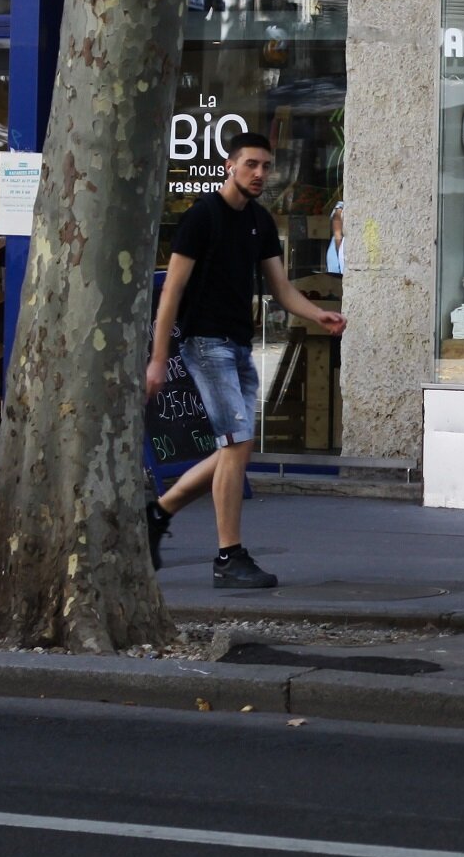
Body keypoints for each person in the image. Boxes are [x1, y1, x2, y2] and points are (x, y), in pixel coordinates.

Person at [145, 132, 346, 587]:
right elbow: (171, 292)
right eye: (251, 164)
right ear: (229, 166)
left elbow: (281, 289)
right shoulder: (201, 218)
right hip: (203, 343)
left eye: (266, 166)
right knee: (236, 445)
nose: (259, 173)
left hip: (238, 345)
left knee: (234, 449)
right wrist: (159, 359)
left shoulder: (258, 220)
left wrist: (319, 314)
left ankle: (157, 514)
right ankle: (228, 557)